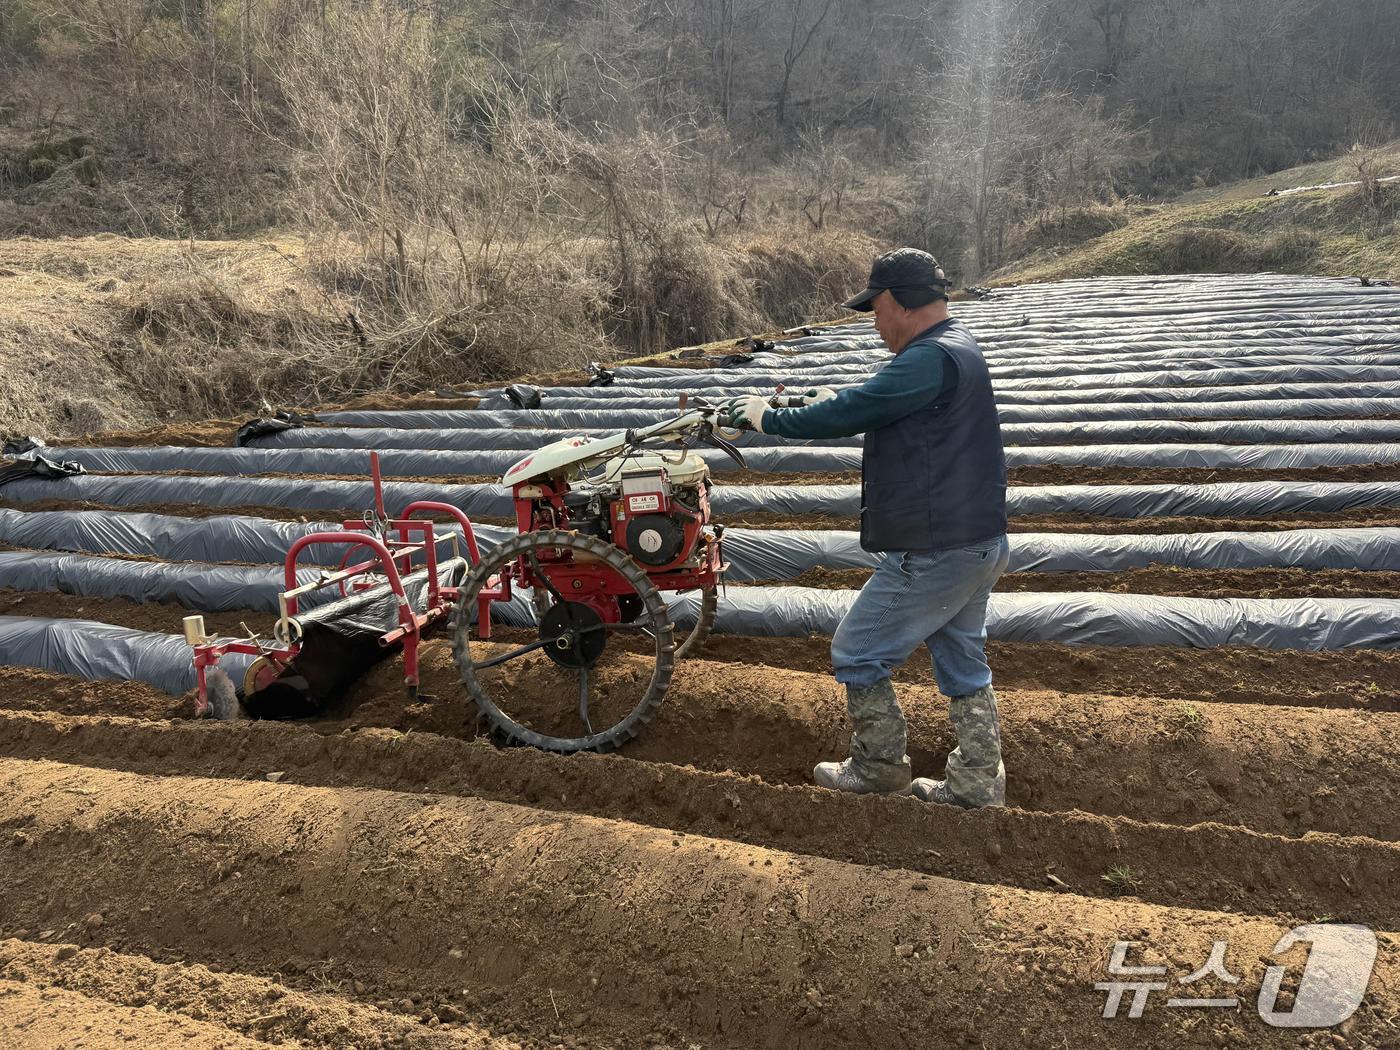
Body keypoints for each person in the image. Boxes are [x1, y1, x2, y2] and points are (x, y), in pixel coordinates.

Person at [722, 248, 1009, 808]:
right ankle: (978, 782)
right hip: (978, 541)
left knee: (856, 649)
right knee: (961, 658)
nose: (875, 324)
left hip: (938, 546)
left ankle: (878, 767)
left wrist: (766, 416)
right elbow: (874, 403)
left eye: (876, 310)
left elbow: (855, 411)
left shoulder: (930, 358)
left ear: (901, 302)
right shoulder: (957, 348)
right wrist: (836, 400)